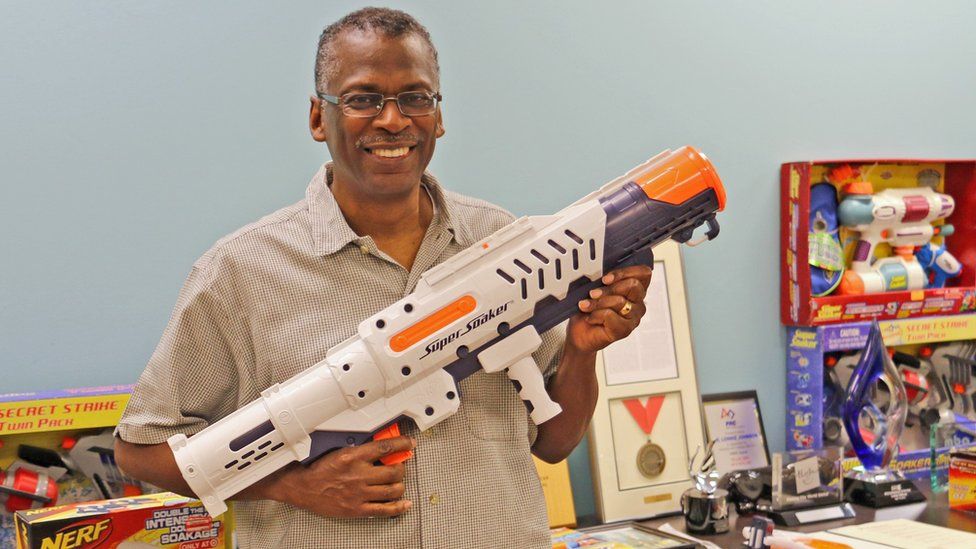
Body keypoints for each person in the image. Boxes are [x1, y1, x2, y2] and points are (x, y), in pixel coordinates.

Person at [114, 7, 651, 548]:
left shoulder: (502, 241)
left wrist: (583, 350)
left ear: (438, 116)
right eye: (363, 98)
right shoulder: (241, 272)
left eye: (415, 98)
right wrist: (295, 486)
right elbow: (140, 450)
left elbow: (554, 442)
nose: (393, 120)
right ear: (318, 118)